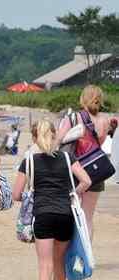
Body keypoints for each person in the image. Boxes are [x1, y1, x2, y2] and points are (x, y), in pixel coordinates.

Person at [13, 120, 91, 280]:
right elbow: (86, 181)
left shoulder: (29, 160)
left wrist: (33, 195)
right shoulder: (67, 157)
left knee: (44, 266)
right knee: (59, 265)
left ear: (34, 137)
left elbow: (15, 194)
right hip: (64, 215)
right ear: (55, 135)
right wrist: (72, 193)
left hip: (43, 215)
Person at [56, 85, 111, 240]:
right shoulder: (104, 121)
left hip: (75, 170)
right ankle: (87, 256)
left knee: (72, 213)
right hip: (96, 171)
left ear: (83, 98)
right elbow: (98, 143)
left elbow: (58, 141)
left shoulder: (72, 118)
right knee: (88, 217)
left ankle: (72, 254)